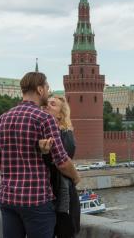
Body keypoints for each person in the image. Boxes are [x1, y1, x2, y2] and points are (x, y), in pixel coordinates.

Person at [0, 72, 80, 238]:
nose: (47, 90)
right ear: (39, 89)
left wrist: (13, 170)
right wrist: (76, 177)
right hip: (36, 200)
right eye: (46, 87)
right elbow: (62, 162)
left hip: (8, 199)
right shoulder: (44, 118)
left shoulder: (2, 118)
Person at [41, 95, 80, 238]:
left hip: (62, 194)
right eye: (46, 103)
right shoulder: (41, 132)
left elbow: (63, 162)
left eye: (53, 104)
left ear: (61, 114)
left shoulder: (66, 134)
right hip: (46, 195)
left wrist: (75, 176)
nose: (47, 106)